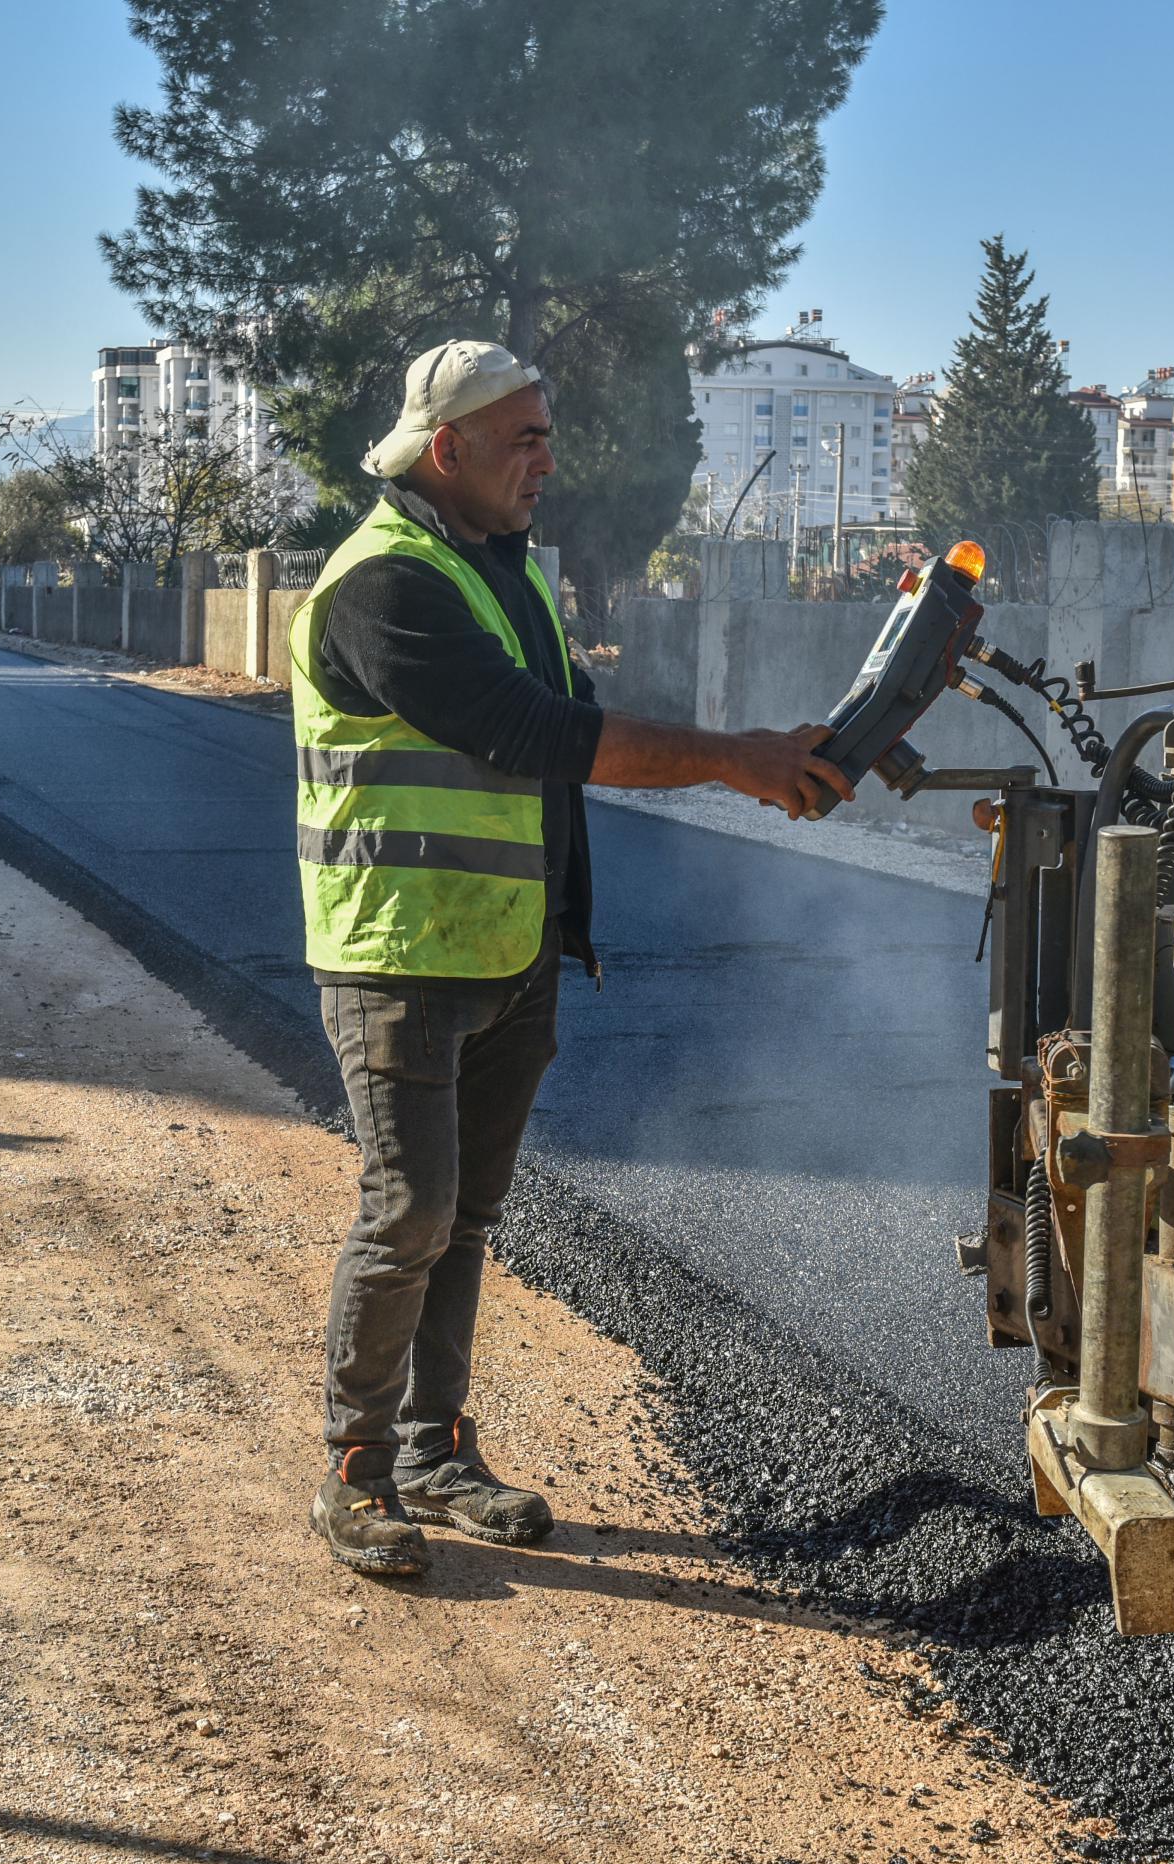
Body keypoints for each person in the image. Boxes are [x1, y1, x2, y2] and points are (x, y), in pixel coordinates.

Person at [296, 339, 853, 1575]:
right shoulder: (384, 584)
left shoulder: (501, 575)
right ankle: (355, 1465)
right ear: (450, 451)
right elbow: (528, 733)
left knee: (466, 1221)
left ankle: (435, 1451)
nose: (550, 459)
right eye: (526, 439)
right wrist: (732, 756)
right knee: (412, 1211)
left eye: (549, 433)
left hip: (506, 953)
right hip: (397, 956)